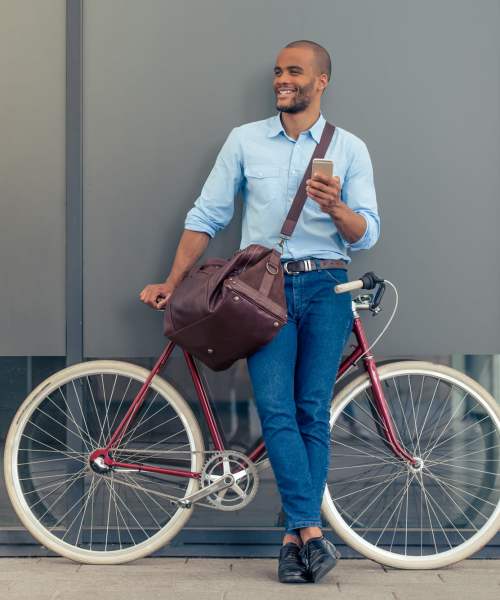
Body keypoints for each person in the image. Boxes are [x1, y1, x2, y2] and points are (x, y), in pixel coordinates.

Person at [140, 39, 380, 584]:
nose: (281, 80)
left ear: (321, 81)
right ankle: (308, 532)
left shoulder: (351, 149)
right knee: (276, 411)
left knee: (311, 410)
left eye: (294, 72)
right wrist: (171, 282)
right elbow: (208, 214)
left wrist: (335, 207)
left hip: (325, 287)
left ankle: (295, 543)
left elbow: (367, 232)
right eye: (277, 72)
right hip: (259, 291)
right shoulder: (245, 141)